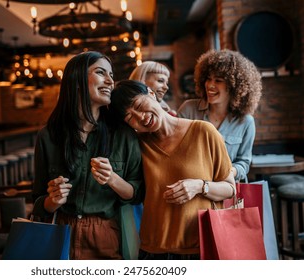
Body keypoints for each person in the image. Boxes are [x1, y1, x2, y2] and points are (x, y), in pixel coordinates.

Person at [32, 51, 144, 260]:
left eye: (111, 75)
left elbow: (137, 194)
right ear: (76, 80)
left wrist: (113, 179)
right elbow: (38, 201)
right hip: (59, 233)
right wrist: (52, 201)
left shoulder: (124, 135)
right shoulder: (49, 135)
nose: (110, 81)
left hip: (106, 237)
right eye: (101, 73)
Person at [109, 80, 236, 260]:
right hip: (153, 250)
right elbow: (135, 192)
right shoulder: (138, 146)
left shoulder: (203, 132)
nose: (141, 117)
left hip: (199, 248)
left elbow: (230, 189)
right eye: (130, 118)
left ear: (151, 94)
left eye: (138, 105)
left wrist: (199, 186)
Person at [177, 49, 262, 182]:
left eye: (218, 80)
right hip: (192, 189)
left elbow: (244, 163)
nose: (210, 85)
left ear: (234, 86)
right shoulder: (188, 110)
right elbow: (174, 149)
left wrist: (229, 172)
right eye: (208, 79)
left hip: (227, 192)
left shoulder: (245, 121)